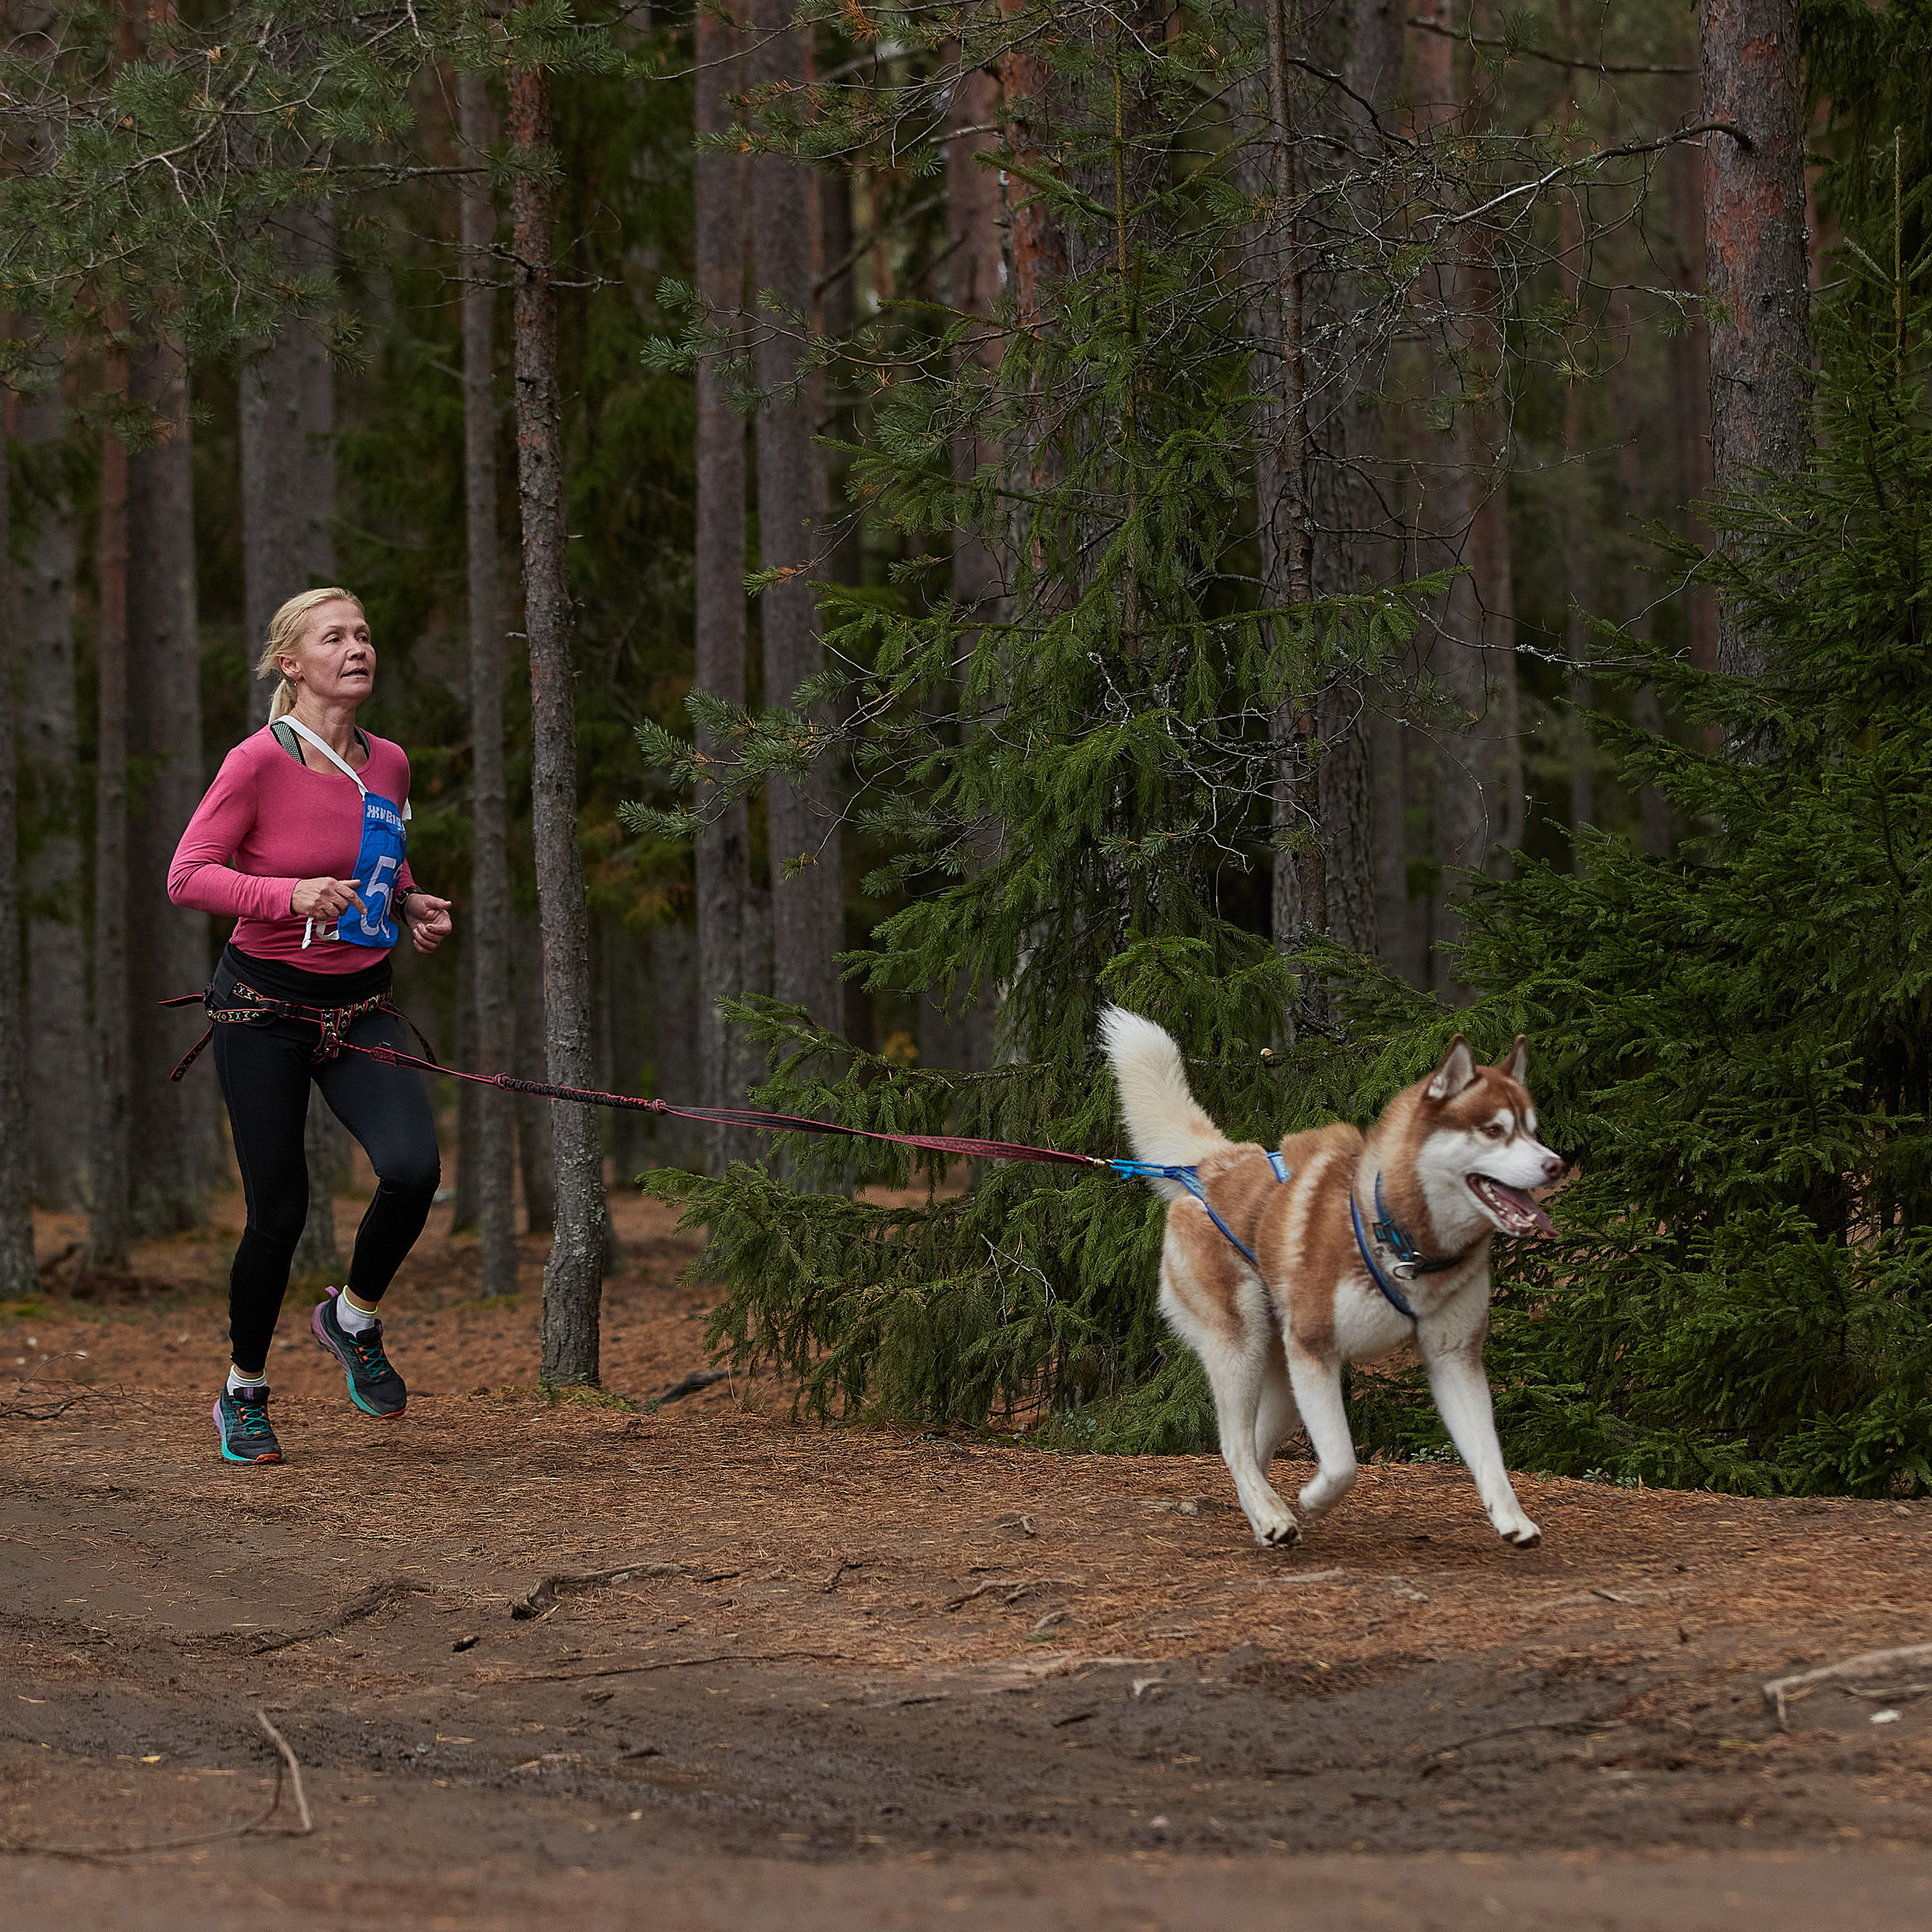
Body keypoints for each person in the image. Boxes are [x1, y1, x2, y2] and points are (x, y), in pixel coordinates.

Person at [168, 589, 454, 1465]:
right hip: (263, 1010)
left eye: (364, 634)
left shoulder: (389, 762)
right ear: (292, 664)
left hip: (360, 1005)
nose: (357, 647)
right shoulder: (256, 762)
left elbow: (380, 851)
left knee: (413, 1169)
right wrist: (285, 894)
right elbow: (188, 875)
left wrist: (408, 900)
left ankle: (352, 1318)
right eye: (335, 637)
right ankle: (243, 1391)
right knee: (279, 1213)